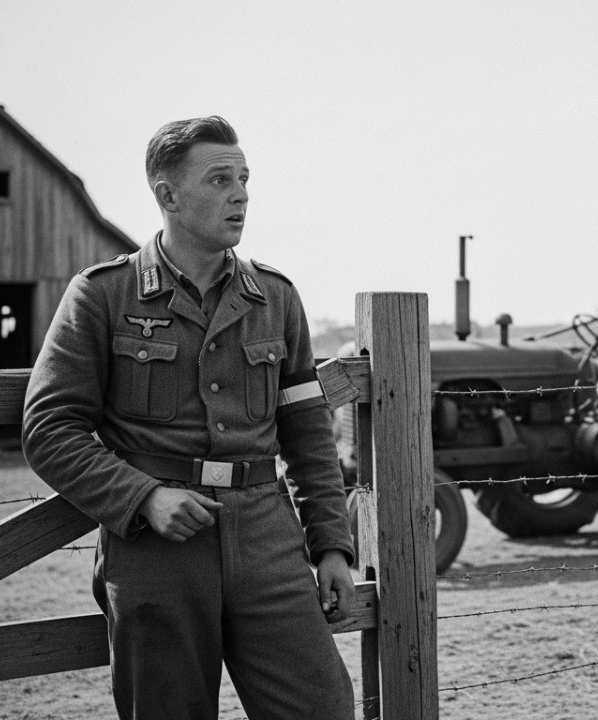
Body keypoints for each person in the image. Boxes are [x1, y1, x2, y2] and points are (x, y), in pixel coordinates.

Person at [22, 116, 357, 719]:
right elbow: (49, 428)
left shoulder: (275, 298)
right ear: (167, 195)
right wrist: (143, 498)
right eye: (220, 179)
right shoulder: (102, 294)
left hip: (268, 544)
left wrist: (331, 544)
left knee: (323, 708)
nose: (241, 194)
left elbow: (309, 437)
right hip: (156, 550)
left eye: (246, 179)